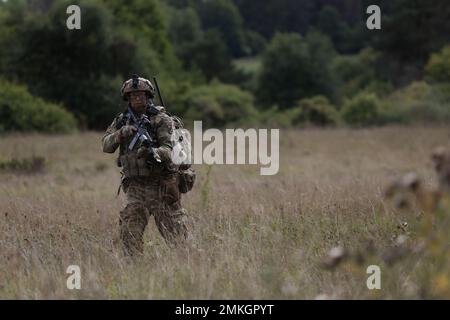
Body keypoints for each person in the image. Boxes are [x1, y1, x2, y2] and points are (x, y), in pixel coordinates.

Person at [102, 74, 189, 256]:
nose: (137, 98)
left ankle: (187, 266)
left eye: (141, 94)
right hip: (136, 187)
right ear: (127, 98)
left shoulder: (161, 119)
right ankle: (135, 270)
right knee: (129, 233)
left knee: (176, 236)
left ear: (148, 96)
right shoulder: (121, 120)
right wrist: (120, 134)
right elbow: (106, 146)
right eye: (133, 95)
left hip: (161, 185)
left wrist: (153, 152)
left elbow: (170, 149)